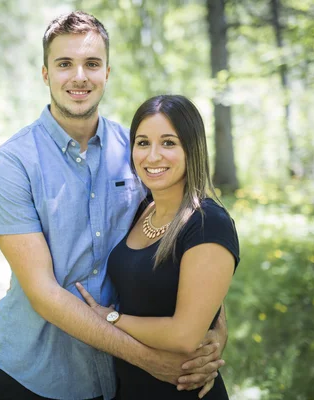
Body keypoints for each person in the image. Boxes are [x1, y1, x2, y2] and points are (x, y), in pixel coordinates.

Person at [0, 11, 227, 400]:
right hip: (41, 376)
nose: (79, 76)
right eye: (64, 64)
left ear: (107, 72)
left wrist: (214, 330)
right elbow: (43, 291)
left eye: (91, 64)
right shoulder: (11, 164)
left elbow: (190, 236)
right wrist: (149, 359)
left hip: (121, 381)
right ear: (45, 74)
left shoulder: (136, 151)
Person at [76, 94, 240, 399]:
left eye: (168, 143)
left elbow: (184, 336)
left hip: (182, 390)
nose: (152, 157)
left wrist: (110, 319)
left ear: (192, 149)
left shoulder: (207, 222)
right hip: (130, 387)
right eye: (142, 143)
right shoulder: (143, 209)